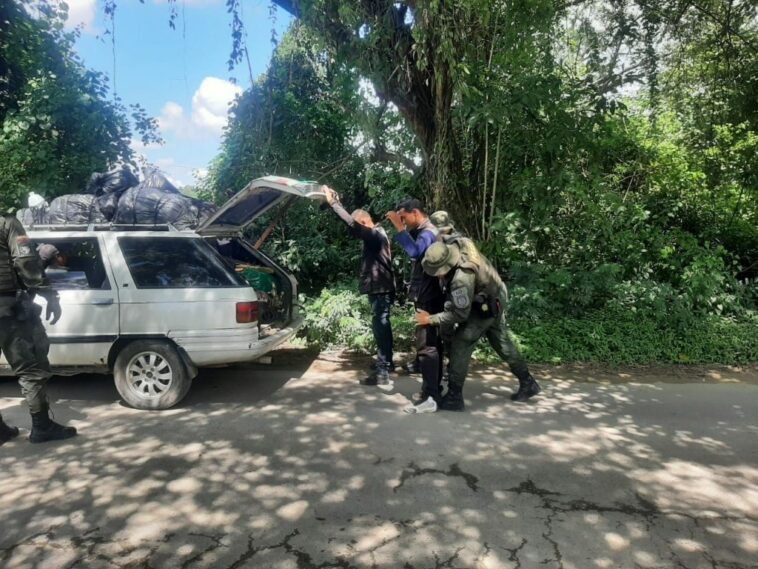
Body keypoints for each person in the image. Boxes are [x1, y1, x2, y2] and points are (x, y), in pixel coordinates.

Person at [418, 241, 541, 410]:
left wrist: (430, 319)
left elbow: (460, 314)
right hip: (494, 295)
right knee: (500, 340)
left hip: (485, 304)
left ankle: (454, 396)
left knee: (462, 342)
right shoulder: (458, 245)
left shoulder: (461, 279)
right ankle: (528, 382)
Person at [0, 214, 77, 445]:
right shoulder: (6, 223)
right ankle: (42, 427)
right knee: (31, 369)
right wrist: (50, 295)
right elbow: (26, 262)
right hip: (7, 310)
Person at [322, 186, 396, 385]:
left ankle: (383, 370)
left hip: (381, 289)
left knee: (380, 327)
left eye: (358, 226)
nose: (356, 232)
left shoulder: (375, 236)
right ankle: (387, 361)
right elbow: (353, 225)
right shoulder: (377, 234)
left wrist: (334, 204)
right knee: (382, 326)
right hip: (380, 288)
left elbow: (352, 225)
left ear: (364, 222)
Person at [386, 198, 445, 413]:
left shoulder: (428, 232)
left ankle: (431, 396)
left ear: (415, 213)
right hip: (431, 295)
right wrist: (402, 227)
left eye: (404, 217)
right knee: (432, 345)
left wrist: (399, 228)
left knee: (427, 346)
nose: (403, 221)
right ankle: (433, 390)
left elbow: (414, 252)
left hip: (429, 297)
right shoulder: (425, 230)